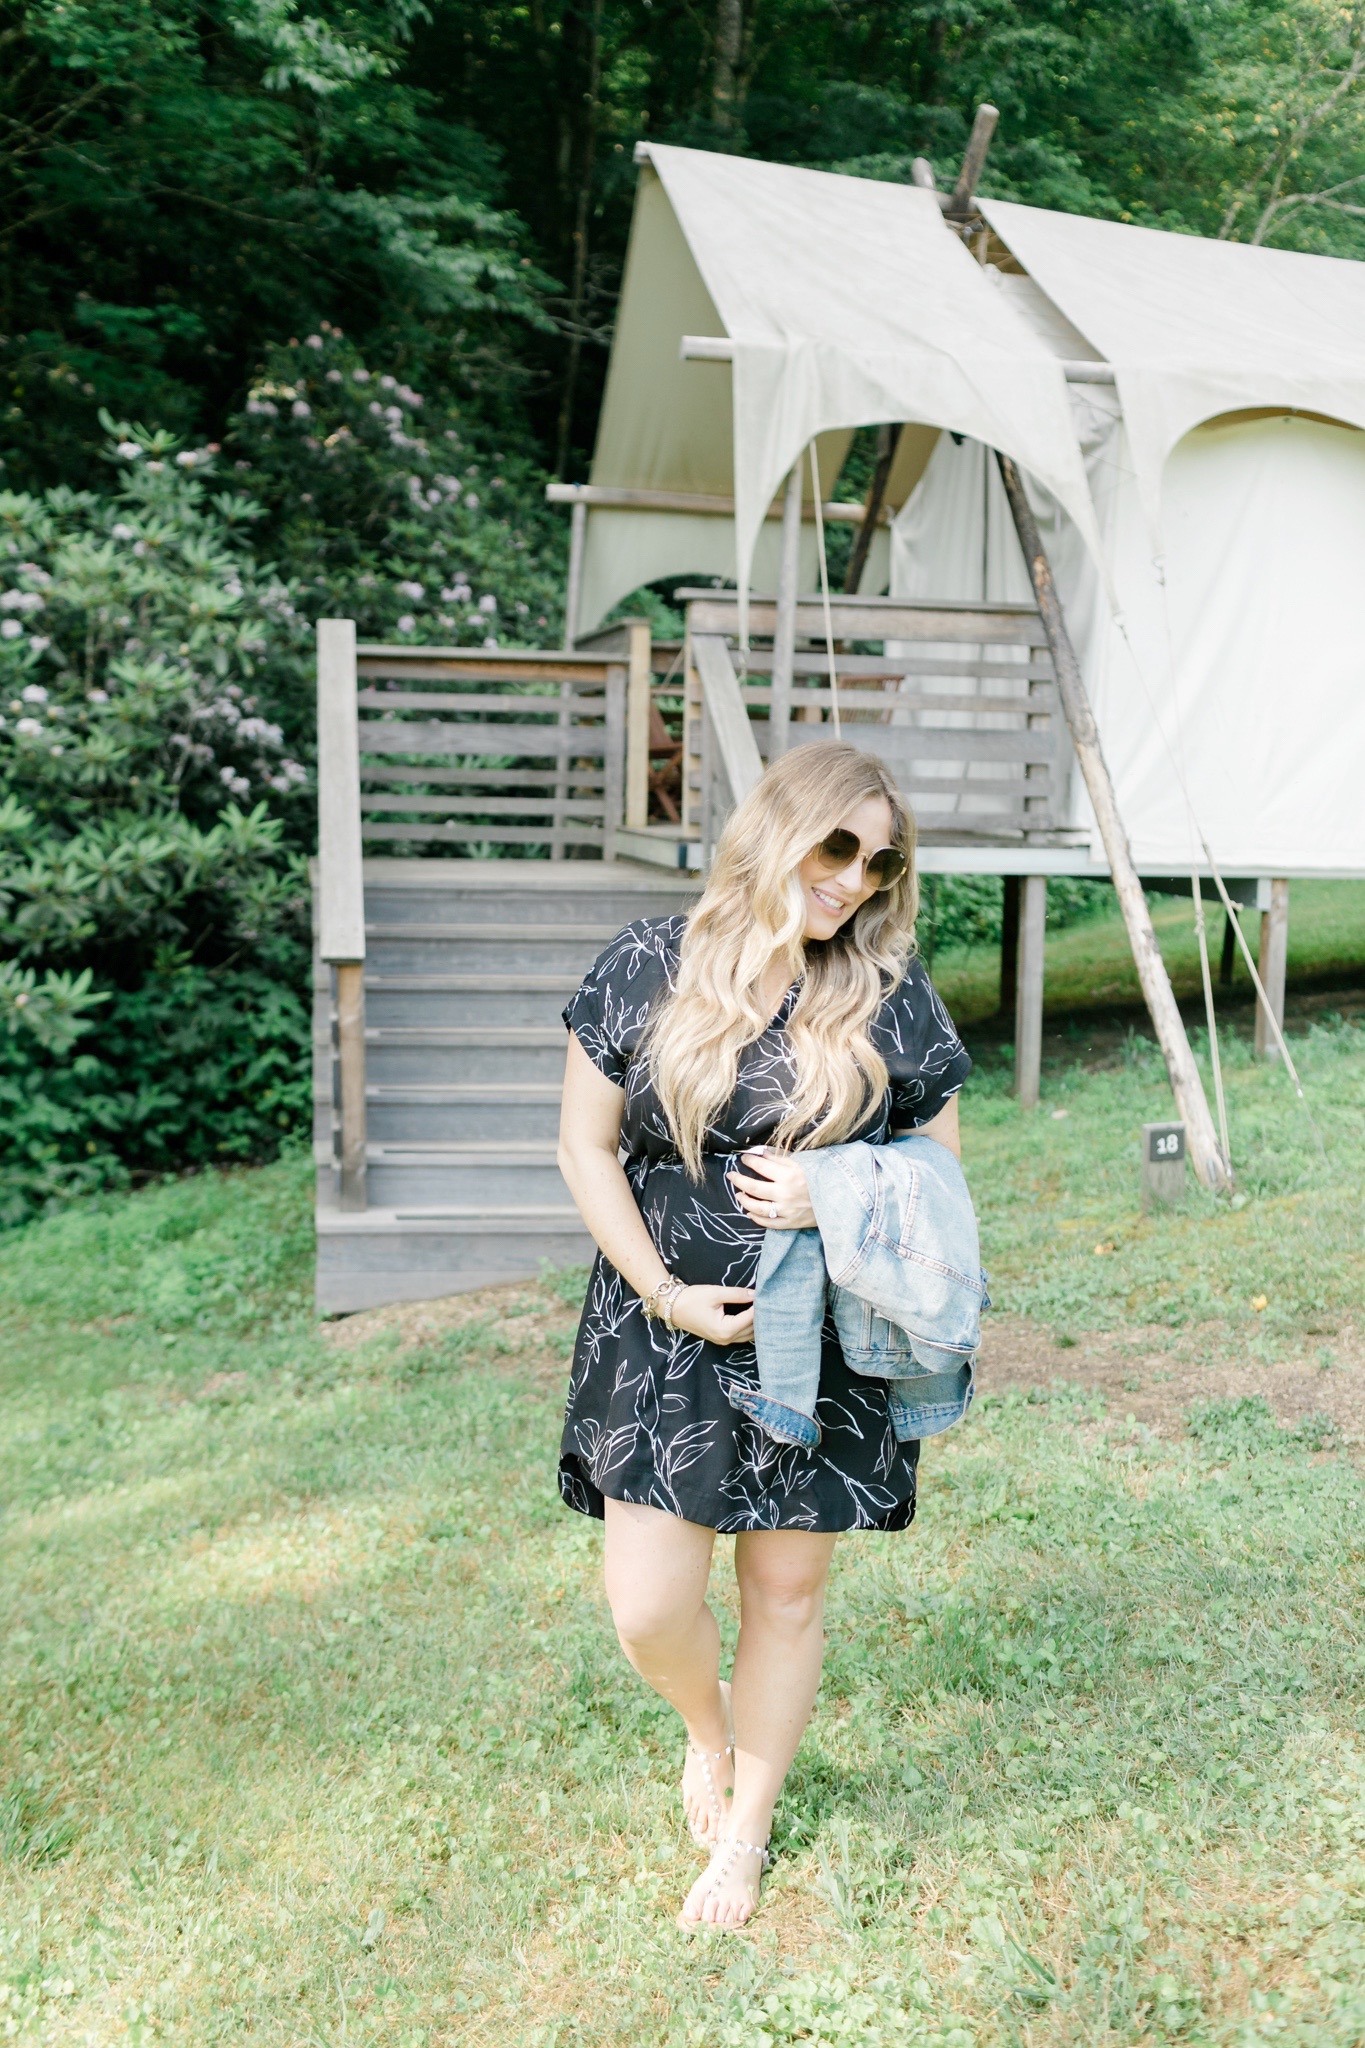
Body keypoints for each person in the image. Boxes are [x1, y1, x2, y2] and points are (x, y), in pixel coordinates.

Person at [555, 742, 972, 1931]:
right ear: (775, 830)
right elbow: (586, 1146)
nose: (852, 880)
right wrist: (662, 1290)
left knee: (785, 1594)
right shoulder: (647, 962)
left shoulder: (888, 992)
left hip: (824, 1336)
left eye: (880, 862)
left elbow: (940, 1175)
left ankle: (744, 1834)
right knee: (646, 1605)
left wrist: (832, 1191)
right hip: (663, 1337)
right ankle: (710, 1727)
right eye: (836, 845)